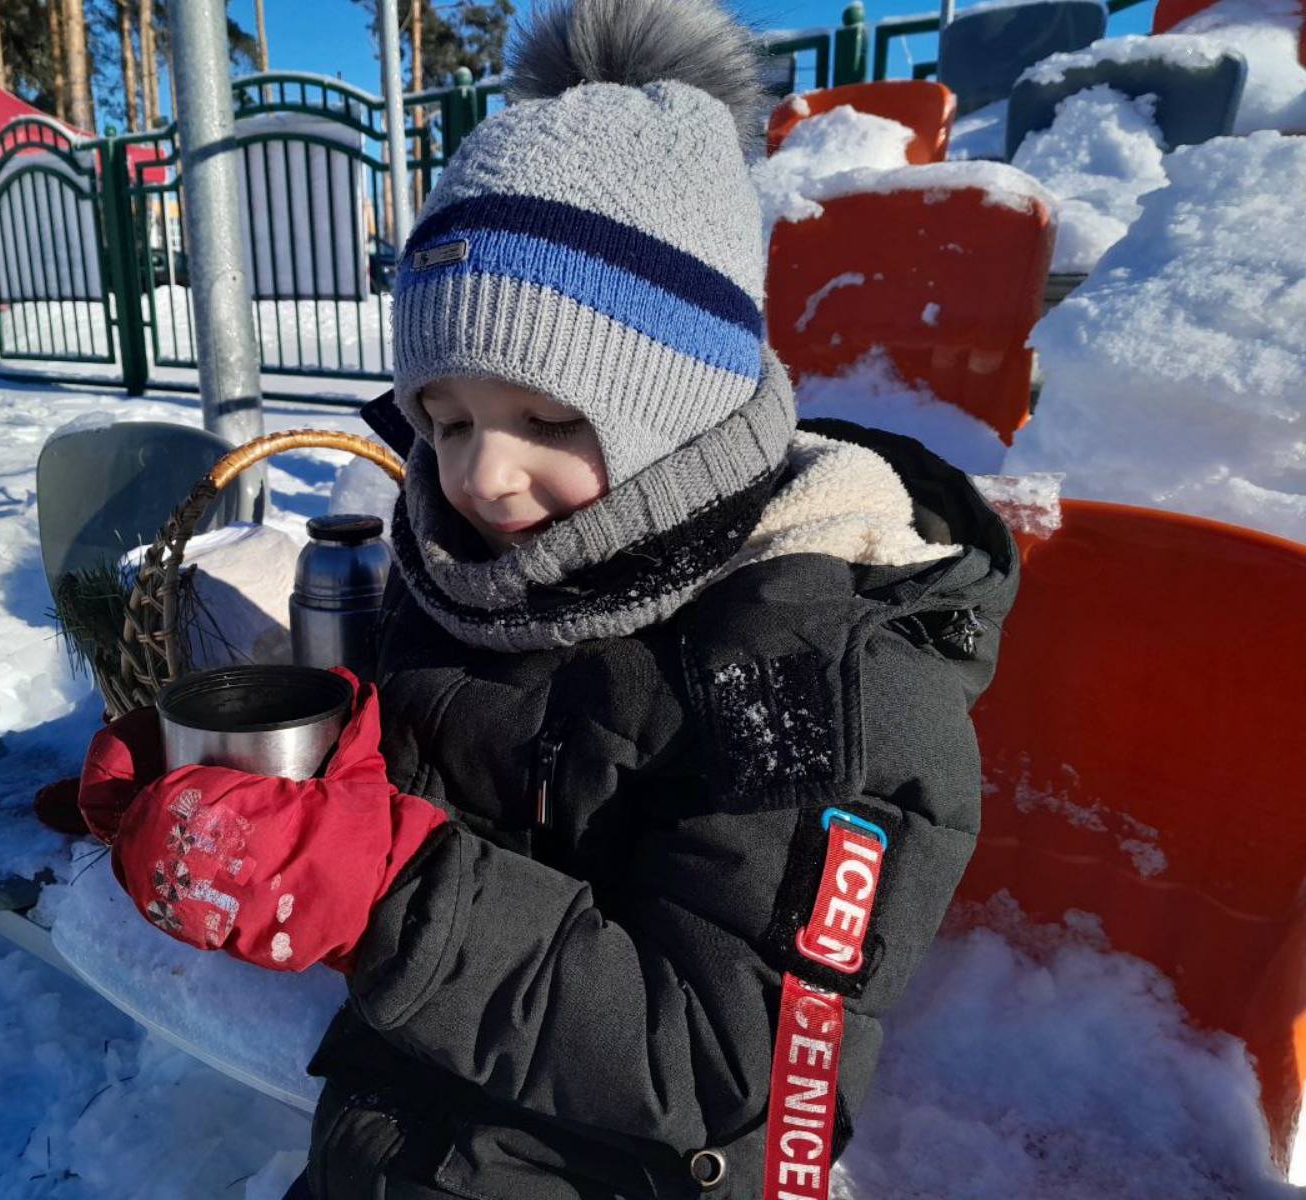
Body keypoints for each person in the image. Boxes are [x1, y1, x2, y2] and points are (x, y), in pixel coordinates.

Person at [77, 0, 1019, 1196]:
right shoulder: (494, 561)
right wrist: (272, 780)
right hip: (408, 1135)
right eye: (444, 418)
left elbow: (739, 1060)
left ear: (681, 401)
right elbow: (468, 778)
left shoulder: (813, 666)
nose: (479, 475)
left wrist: (383, 891)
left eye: (547, 419)